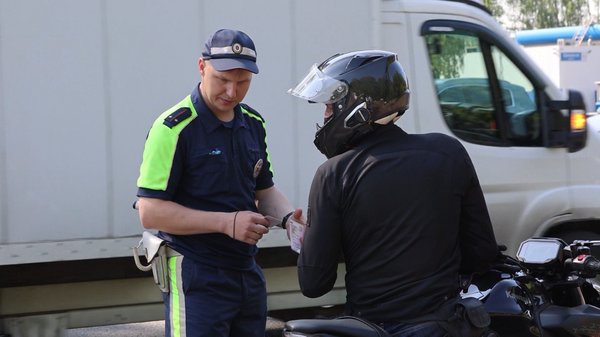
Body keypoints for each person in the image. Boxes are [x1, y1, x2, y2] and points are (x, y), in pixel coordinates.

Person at [287, 50, 499, 336]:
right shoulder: (449, 152)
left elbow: (314, 284)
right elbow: (481, 255)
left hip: (375, 327)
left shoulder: (334, 173)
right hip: (443, 323)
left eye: (329, 104)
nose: (325, 114)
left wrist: (308, 239)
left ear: (358, 106)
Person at [136, 28, 302, 337]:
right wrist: (227, 223)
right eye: (222, 80)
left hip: (246, 271)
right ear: (202, 67)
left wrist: (289, 219)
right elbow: (150, 212)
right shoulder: (172, 128)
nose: (232, 92)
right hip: (196, 272)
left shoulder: (253, 124)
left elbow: (264, 190)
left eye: (243, 83)